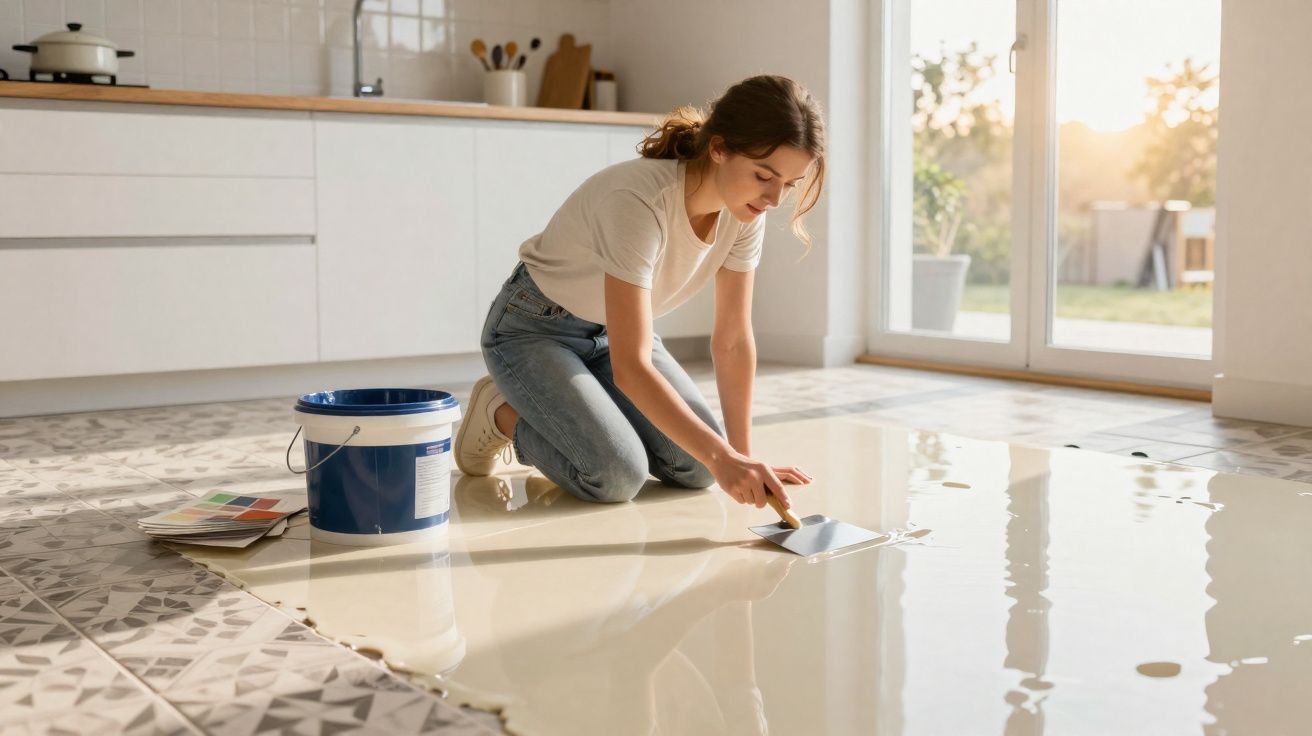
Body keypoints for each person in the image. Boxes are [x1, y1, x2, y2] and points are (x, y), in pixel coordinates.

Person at [454, 74, 826, 510]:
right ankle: (501, 411)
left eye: (789, 184)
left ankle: (582, 406)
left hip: (614, 336)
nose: (774, 199)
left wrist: (739, 458)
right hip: (534, 328)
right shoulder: (639, 200)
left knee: (700, 468)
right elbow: (632, 368)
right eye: (764, 176)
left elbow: (732, 340)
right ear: (719, 148)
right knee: (615, 476)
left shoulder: (744, 214)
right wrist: (723, 454)